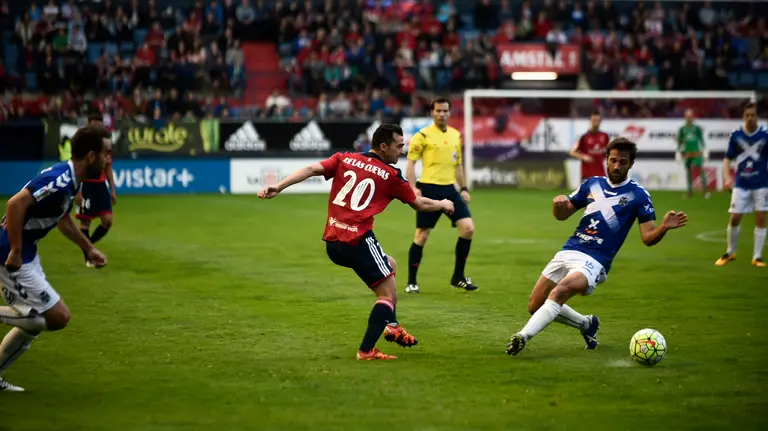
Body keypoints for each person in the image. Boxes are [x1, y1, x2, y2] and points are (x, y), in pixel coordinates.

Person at [258, 124, 455, 361]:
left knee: (389, 264)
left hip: (333, 242)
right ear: (384, 147)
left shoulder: (345, 158)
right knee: (387, 296)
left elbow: (311, 168)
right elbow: (420, 204)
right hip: (357, 240)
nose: (402, 151)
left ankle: (391, 325)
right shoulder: (392, 176)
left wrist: (279, 186)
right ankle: (367, 351)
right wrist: (443, 203)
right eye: (399, 146)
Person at [506, 138, 688, 356]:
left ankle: (522, 337)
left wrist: (664, 228)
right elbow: (562, 216)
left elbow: (648, 237)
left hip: (595, 260)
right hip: (569, 250)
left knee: (559, 292)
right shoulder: (591, 184)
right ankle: (586, 324)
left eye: (622, 162)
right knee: (535, 306)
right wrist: (557, 206)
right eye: (613, 161)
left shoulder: (638, 195)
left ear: (630, 164)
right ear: (606, 160)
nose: (616, 166)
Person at [0, 124, 110, 391]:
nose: (109, 160)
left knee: (34, 324)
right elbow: (15, 204)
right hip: (11, 253)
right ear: (91, 156)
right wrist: (15, 249)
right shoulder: (60, 179)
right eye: (106, 153)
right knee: (55, 317)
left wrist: (88, 248)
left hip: (27, 251)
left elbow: (62, 219)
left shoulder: (72, 182)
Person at [405, 98, 477, 293]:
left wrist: (463, 188)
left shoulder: (455, 135)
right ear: (432, 112)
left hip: (450, 190)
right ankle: (412, 282)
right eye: (438, 111)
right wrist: (413, 187)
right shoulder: (422, 135)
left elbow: (458, 165)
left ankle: (458, 277)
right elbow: (410, 162)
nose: (442, 114)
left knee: (468, 229)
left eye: (445, 111)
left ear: (449, 113)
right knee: (422, 235)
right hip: (429, 189)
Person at [715, 103, 768, 268]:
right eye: (747, 115)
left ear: (757, 116)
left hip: (761, 183)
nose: (750, 118)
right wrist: (726, 177)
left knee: (761, 218)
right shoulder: (736, 135)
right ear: (743, 116)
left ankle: (757, 257)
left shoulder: (765, 135)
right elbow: (727, 158)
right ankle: (730, 252)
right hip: (741, 183)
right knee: (735, 217)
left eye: (753, 115)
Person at [76, 114, 117, 267]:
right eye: (94, 125)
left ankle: (89, 246)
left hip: (100, 186)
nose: (97, 127)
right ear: (89, 124)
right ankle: (89, 257)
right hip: (86, 185)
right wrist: (78, 191)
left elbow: (108, 167)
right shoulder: (83, 145)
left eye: (100, 125)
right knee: (85, 223)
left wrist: (112, 189)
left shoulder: (106, 145)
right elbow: (77, 168)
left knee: (107, 221)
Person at [676, 109, 710, 199]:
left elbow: (701, 139)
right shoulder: (682, 129)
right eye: (687, 116)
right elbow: (680, 141)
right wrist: (678, 151)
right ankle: (689, 191)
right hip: (687, 153)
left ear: (693, 117)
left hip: (697, 152)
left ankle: (705, 191)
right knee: (688, 171)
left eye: (690, 116)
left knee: (700, 169)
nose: (689, 118)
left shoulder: (697, 128)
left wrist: (705, 149)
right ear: (685, 117)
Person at [569, 111, 610, 182]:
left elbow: (610, 150)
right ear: (590, 121)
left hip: (601, 174)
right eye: (594, 120)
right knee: (588, 193)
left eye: (597, 120)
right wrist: (583, 157)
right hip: (587, 175)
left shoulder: (605, 136)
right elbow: (572, 152)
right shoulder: (584, 137)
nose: (596, 122)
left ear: (600, 122)